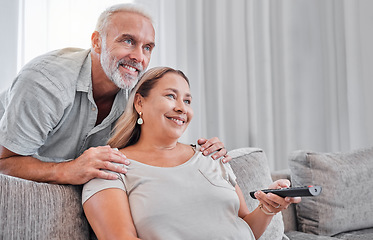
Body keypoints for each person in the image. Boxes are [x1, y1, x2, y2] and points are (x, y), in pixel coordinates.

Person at [0, 4, 229, 185]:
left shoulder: (139, 93)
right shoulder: (46, 82)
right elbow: (4, 163)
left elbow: (157, 146)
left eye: (147, 47)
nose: (139, 57)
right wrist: (68, 170)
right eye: (128, 41)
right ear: (97, 42)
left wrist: (203, 153)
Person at [82, 67, 301, 240]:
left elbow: (245, 229)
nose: (182, 108)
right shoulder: (111, 167)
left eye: (187, 101)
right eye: (170, 96)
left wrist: (267, 208)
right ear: (140, 102)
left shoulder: (212, 156)